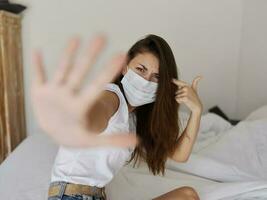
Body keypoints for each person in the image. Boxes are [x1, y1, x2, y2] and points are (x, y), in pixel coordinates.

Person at [31, 34, 202, 200]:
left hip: (96, 196)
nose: (146, 81)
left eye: (156, 77)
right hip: (70, 195)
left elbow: (180, 155)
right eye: (140, 69)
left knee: (187, 195)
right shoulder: (112, 96)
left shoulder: (134, 120)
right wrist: (76, 120)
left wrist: (196, 111)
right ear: (124, 67)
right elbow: (96, 115)